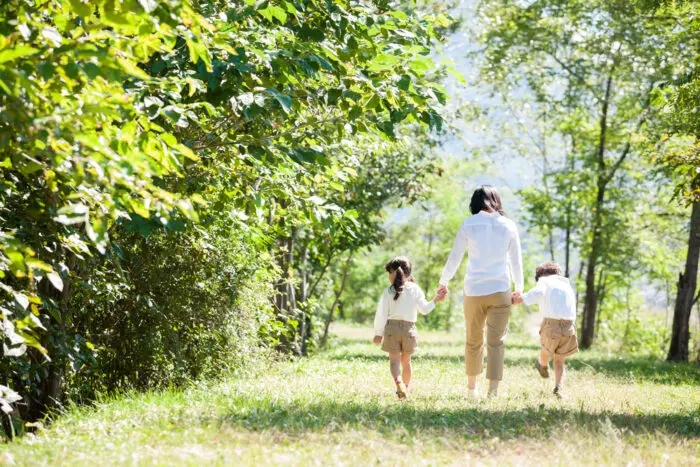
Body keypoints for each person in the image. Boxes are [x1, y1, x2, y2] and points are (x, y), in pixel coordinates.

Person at [437, 185, 523, 399]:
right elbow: (516, 260)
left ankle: (471, 389)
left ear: (475, 203)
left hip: (474, 291)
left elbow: (455, 257)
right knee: (497, 342)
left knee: (473, 339)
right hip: (500, 289)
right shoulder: (508, 225)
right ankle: (492, 392)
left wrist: (443, 281)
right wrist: (519, 289)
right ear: (496, 200)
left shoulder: (469, 224)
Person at [373, 256, 446, 399]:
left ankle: (398, 382)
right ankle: (405, 388)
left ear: (395, 272)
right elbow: (424, 309)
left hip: (391, 330)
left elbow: (381, 314)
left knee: (394, 361)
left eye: (389, 273)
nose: (389, 276)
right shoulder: (415, 289)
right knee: (406, 362)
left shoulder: (388, 291)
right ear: (408, 273)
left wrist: (378, 333)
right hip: (409, 330)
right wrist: (435, 299)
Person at [512, 261, 578, 399]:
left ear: (540, 275)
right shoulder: (566, 285)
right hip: (569, 326)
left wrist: (522, 298)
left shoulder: (544, 281)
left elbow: (537, 292)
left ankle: (542, 364)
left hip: (551, 324)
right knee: (560, 360)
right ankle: (559, 387)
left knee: (546, 350)